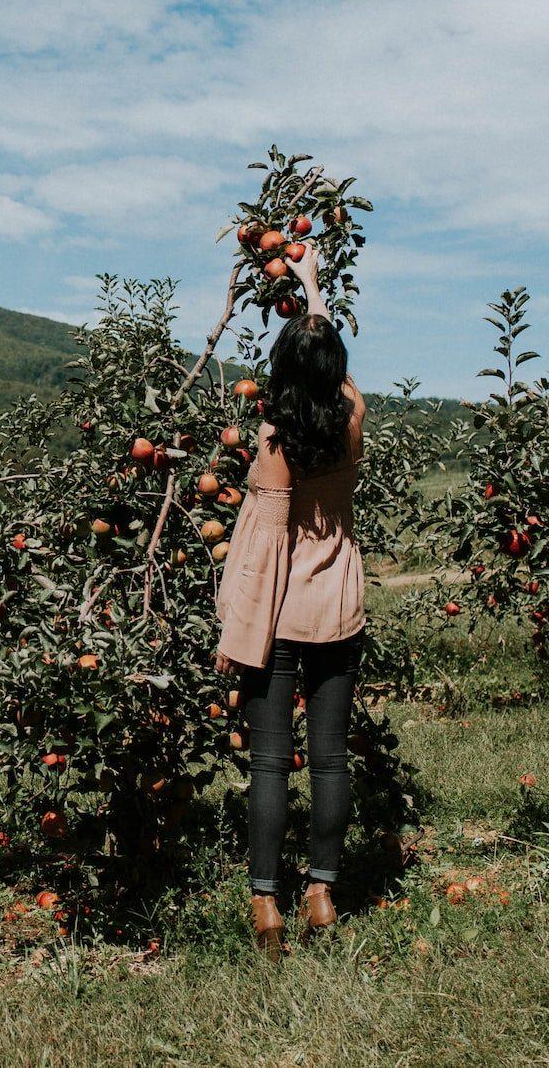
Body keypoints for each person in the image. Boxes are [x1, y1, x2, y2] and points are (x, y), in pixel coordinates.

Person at [213, 243, 366, 954]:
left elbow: (260, 554)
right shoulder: (354, 416)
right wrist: (315, 291)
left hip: (277, 619)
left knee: (271, 763)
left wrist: (236, 634)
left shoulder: (274, 442)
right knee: (330, 759)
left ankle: (266, 907)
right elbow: (325, 362)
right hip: (338, 609)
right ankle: (323, 892)